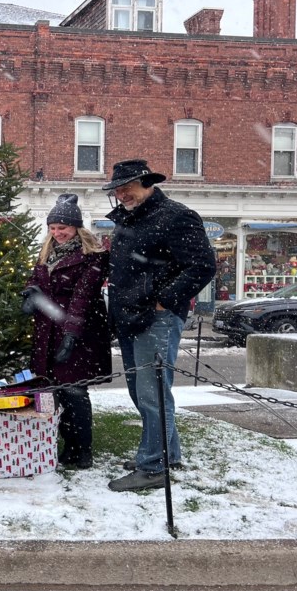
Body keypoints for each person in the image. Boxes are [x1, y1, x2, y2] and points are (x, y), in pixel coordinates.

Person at [103, 159, 216, 492]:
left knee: (152, 396)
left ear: (147, 182)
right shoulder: (129, 218)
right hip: (130, 317)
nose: (122, 193)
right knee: (143, 393)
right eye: (117, 189)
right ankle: (168, 454)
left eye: (127, 186)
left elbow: (203, 266)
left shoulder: (176, 216)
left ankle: (153, 467)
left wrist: (164, 300)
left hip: (157, 318)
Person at [23, 194, 112, 470]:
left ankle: (82, 450)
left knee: (74, 392)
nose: (58, 233)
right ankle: (62, 446)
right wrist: (30, 292)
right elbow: (35, 279)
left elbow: (82, 298)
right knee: (51, 392)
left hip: (78, 332)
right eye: (53, 227)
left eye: (63, 227)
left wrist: (71, 335)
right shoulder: (45, 253)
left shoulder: (91, 257)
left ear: (76, 227)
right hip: (46, 332)